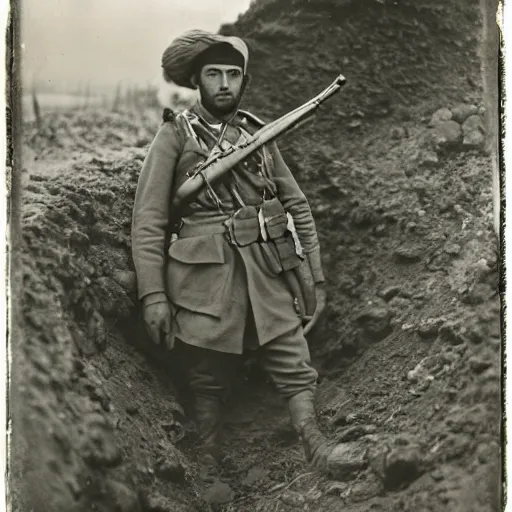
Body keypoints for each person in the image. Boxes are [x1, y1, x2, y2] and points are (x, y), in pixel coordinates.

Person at [131, 29, 336, 478]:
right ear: (196, 80)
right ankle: (207, 461)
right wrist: (153, 296)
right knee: (208, 374)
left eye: (233, 74)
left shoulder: (258, 133)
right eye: (214, 74)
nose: (225, 83)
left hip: (267, 266)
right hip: (204, 277)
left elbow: (296, 203)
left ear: (243, 81)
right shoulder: (174, 136)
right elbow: (149, 219)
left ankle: (315, 445)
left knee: (293, 359)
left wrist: (313, 274)